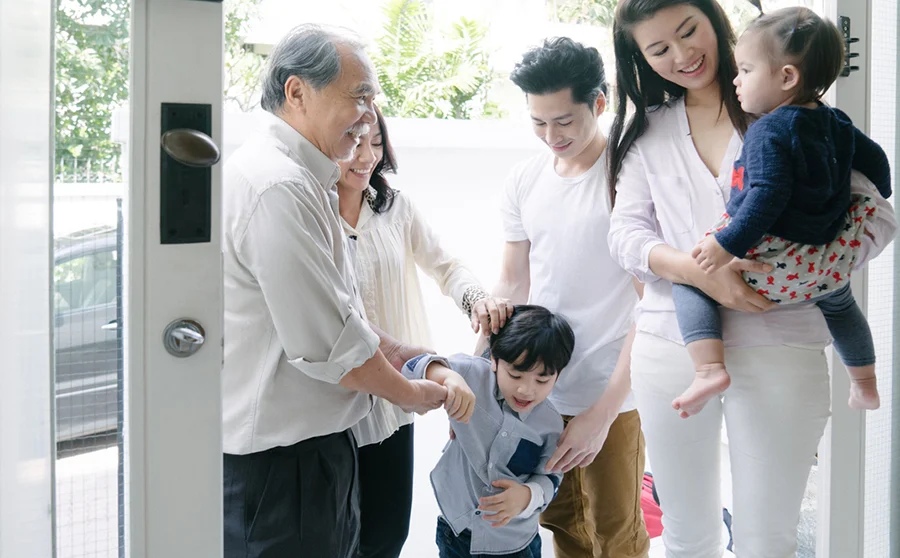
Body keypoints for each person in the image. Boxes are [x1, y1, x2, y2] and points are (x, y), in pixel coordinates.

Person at [606, 1, 897, 556]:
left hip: (782, 344)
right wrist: (700, 273)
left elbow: (877, 215)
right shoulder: (649, 133)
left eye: (689, 31)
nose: (683, 55)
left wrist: (795, 271)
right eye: (659, 49)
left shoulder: (800, 116)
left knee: (767, 539)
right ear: (640, 59)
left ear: (715, 21)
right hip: (673, 347)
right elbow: (625, 236)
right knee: (687, 535)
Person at [220, 25, 447, 558]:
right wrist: (414, 394)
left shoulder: (306, 179)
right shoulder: (278, 187)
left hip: (314, 457)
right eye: (358, 96)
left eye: (372, 99)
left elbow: (343, 315)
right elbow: (331, 346)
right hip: (282, 470)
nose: (369, 115)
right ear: (297, 92)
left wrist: (409, 354)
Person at [672, 7, 890, 418]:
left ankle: (708, 369)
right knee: (841, 305)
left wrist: (724, 245)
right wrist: (882, 193)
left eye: (747, 70)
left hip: (771, 262)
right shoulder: (836, 122)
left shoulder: (767, 129)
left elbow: (767, 196)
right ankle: (864, 383)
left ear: (787, 77)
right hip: (826, 260)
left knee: (690, 283)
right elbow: (876, 160)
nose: (736, 80)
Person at [483, 37, 650, 558]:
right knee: (560, 526)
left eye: (564, 121)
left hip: (611, 395)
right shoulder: (524, 179)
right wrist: (484, 376)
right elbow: (514, 283)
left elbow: (653, 303)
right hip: (539, 393)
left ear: (599, 103)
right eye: (538, 122)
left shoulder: (628, 176)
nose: (550, 135)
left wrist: (602, 413)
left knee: (615, 533)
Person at [336, 105, 511, 558]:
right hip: (335, 406)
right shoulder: (310, 215)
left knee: (387, 534)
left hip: (398, 395)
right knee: (335, 537)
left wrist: (477, 300)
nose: (365, 156)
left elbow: (445, 266)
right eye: (354, 142)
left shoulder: (395, 209)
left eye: (375, 143)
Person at [404, 305, 575, 558]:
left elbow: (551, 478)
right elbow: (411, 367)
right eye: (515, 375)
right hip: (456, 528)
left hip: (514, 543)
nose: (526, 390)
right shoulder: (473, 373)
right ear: (494, 359)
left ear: (557, 376)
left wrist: (527, 496)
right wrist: (445, 377)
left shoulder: (551, 424)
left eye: (542, 381)